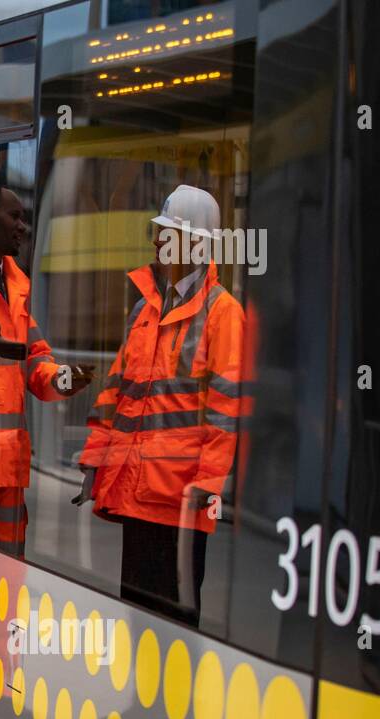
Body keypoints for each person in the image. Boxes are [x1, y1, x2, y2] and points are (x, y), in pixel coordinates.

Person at [74, 185, 247, 625]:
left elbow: (226, 415)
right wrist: (95, 459)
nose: (156, 241)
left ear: (198, 243)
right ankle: (141, 698)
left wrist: (206, 490)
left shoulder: (223, 314)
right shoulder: (144, 312)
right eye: (158, 231)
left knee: (174, 617)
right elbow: (115, 393)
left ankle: (173, 698)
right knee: (136, 613)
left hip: (180, 502)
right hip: (137, 493)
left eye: (167, 232)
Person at [0, 184, 93, 555]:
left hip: (7, 467)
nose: (24, 227)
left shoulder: (16, 285)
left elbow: (35, 357)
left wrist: (62, 378)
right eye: (16, 216)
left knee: (5, 574)